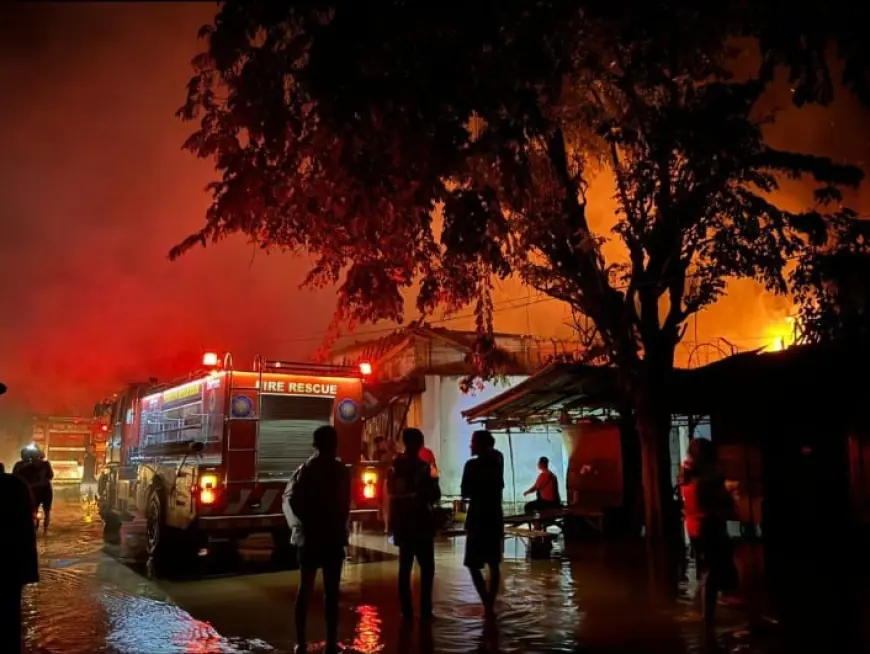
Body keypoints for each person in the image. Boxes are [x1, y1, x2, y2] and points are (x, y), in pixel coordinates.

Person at [284, 425, 351, 654]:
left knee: (305, 589)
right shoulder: (341, 471)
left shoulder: (306, 470)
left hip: (311, 539)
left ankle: (300, 643)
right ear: (334, 444)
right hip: (332, 538)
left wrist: (308, 523)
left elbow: (292, 501)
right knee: (332, 593)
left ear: (315, 444)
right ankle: (331, 643)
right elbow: (344, 505)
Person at [680, 438, 739, 628]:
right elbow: (719, 503)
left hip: (694, 526)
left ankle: (710, 612)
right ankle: (709, 616)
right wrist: (729, 492)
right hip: (709, 525)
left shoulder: (687, 472)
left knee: (707, 569)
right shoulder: (708, 477)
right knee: (712, 570)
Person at [388, 428, 442, 620]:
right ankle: (426, 610)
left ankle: (406, 611)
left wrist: (391, 524)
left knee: (405, 567)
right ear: (420, 444)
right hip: (421, 522)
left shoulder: (394, 469)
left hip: (402, 523)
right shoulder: (423, 468)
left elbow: (391, 497)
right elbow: (435, 495)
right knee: (427, 568)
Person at [460, 429, 505, 617]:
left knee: (472, 564)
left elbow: (466, 493)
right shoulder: (497, 461)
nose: (470, 445)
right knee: (493, 563)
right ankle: (490, 603)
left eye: (473, 442)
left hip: (478, 517)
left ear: (479, 444)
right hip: (494, 516)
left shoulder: (472, 466)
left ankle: (486, 601)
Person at [0, 464, 39, 653]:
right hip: (16, 562)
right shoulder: (17, 484)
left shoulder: (16, 482)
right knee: (12, 613)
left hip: (11, 559)